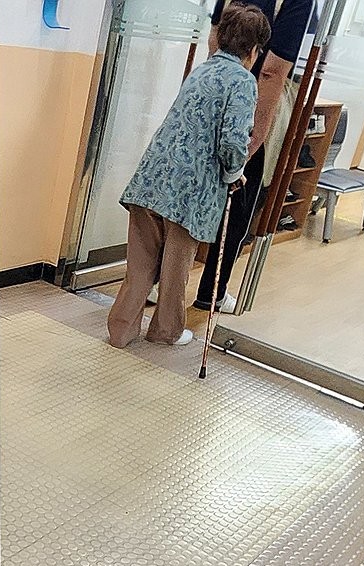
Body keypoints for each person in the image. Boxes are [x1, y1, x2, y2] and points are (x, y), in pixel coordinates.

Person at [107, 4, 270, 348]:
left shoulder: (202, 70)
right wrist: (235, 173)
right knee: (175, 269)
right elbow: (232, 141)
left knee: (140, 266)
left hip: (151, 179)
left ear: (220, 37)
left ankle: (120, 331)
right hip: (190, 194)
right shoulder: (243, 81)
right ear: (254, 50)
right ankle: (165, 331)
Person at [194, 0, 316, 312]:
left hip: (210, 89)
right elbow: (272, 71)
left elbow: (214, 37)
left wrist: (218, 85)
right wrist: (257, 132)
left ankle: (157, 283)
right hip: (255, 100)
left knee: (191, 191)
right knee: (240, 205)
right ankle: (212, 292)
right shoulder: (299, 2)